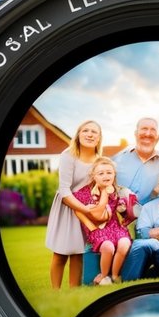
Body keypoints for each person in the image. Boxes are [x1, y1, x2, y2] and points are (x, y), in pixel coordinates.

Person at [45, 120, 104, 288]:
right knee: (61, 252)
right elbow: (64, 190)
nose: (90, 134)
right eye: (86, 130)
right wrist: (84, 209)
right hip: (67, 206)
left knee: (78, 252)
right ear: (78, 134)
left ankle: (73, 291)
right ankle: (55, 292)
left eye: (94, 132)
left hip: (87, 210)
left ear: (99, 138)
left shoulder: (99, 160)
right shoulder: (68, 155)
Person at [71, 156, 137, 285]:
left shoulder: (117, 191)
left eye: (109, 172)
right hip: (98, 229)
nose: (105, 176)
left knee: (124, 243)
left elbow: (123, 212)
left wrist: (123, 209)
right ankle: (104, 274)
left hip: (115, 227)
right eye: (101, 173)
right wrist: (90, 225)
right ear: (93, 176)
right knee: (108, 246)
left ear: (114, 174)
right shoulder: (86, 192)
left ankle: (115, 274)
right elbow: (76, 208)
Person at [113, 117, 159, 204]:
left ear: (158, 136)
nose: (148, 133)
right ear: (136, 133)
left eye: (153, 130)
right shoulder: (117, 158)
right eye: (144, 129)